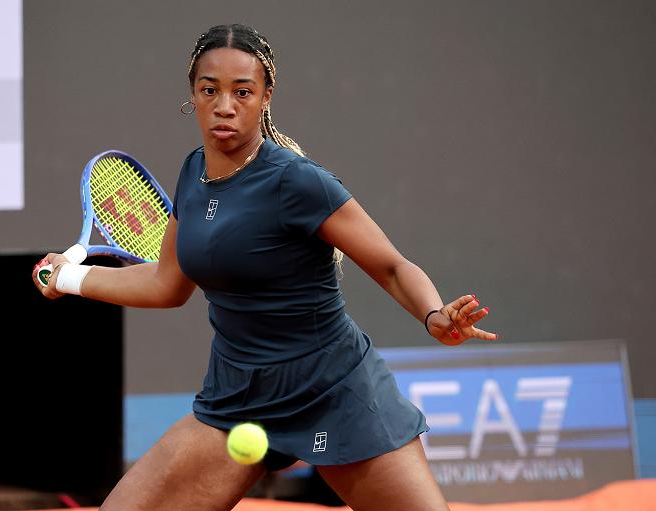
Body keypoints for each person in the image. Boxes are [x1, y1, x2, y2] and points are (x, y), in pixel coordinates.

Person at [33, 23, 498, 511]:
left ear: (265, 97)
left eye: (242, 92)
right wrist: (69, 277)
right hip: (237, 397)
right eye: (209, 90)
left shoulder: (297, 181)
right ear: (193, 94)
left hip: (331, 389)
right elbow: (165, 283)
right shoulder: (193, 173)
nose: (224, 106)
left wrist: (433, 315)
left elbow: (392, 267)